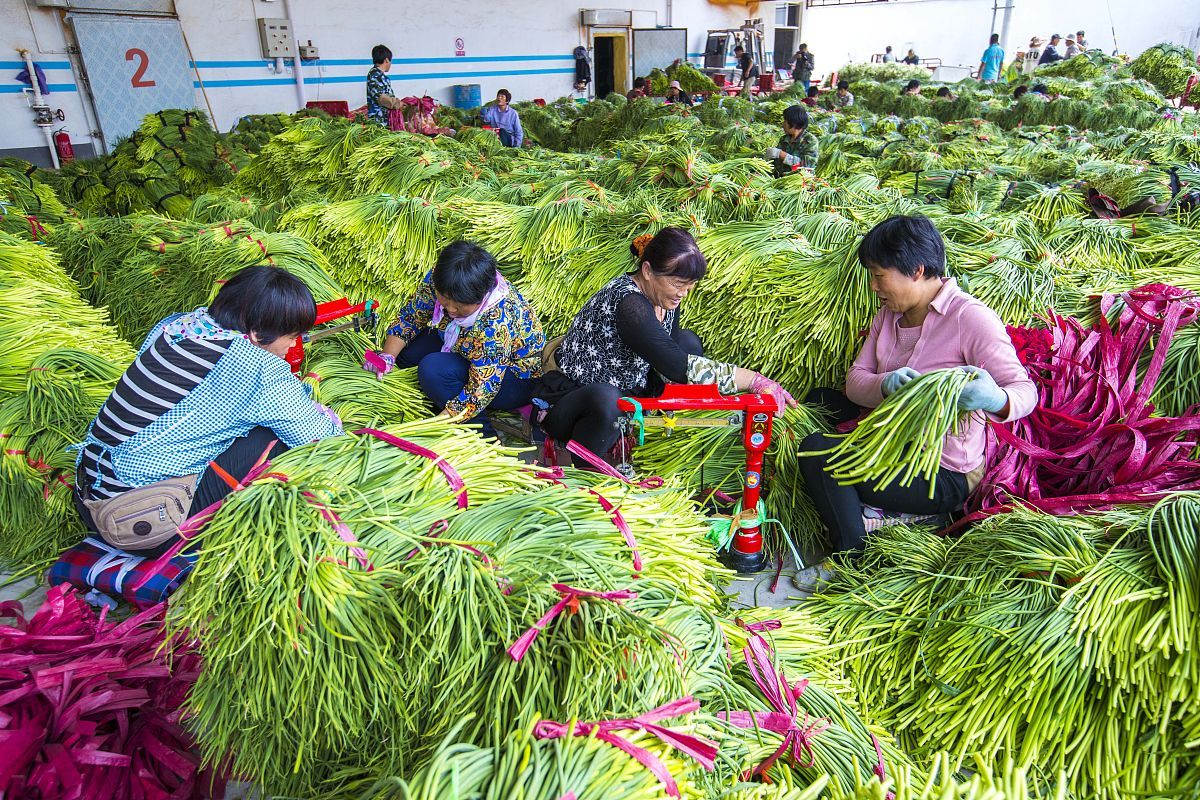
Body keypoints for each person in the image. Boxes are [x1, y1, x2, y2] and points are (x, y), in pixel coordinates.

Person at [796, 215, 1036, 556]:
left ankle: (851, 553)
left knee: (818, 453)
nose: (874, 287)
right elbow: (855, 382)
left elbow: (1025, 391)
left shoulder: (970, 319)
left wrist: (995, 397)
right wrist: (885, 385)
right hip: (888, 438)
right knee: (819, 398)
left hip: (938, 471)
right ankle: (882, 510)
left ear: (918, 270)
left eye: (879, 276)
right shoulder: (888, 316)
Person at [72, 266, 343, 555]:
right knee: (275, 440)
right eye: (290, 335)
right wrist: (329, 417)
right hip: (140, 521)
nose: (293, 344)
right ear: (254, 333)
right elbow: (319, 438)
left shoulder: (181, 326)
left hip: (90, 494)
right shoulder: (255, 368)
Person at [534, 228, 796, 461]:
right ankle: (584, 465)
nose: (683, 293)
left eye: (690, 286)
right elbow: (675, 367)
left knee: (687, 341)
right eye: (677, 284)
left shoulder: (663, 297)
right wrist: (753, 380)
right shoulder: (629, 304)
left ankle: (656, 431)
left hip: (629, 383)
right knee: (608, 400)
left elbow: (668, 353)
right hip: (577, 401)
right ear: (647, 271)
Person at [365, 242, 545, 436]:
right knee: (406, 354)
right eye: (445, 299)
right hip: (462, 342)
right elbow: (411, 317)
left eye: (459, 306)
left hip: (512, 377)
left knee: (433, 370)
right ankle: (442, 395)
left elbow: (482, 389)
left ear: (481, 297)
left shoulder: (497, 322)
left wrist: (430, 427)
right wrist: (387, 357)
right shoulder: (443, 280)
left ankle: (484, 436)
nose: (450, 309)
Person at [764, 104, 819, 177]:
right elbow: (775, 164)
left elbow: (808, 166)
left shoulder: (810, 141)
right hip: (781, 180)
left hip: (799, 182)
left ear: (793, 123)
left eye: (785, 121)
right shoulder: (784, 139)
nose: (783, 124)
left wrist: (782, 155)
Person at [366, 45, 404, 126]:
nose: (390, 64)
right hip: (379, 122)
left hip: (386, 119)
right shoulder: (375, 75)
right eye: (390, 61)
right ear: (386, 60)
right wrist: (397, 104)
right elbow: (381, 97)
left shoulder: (381, 76)